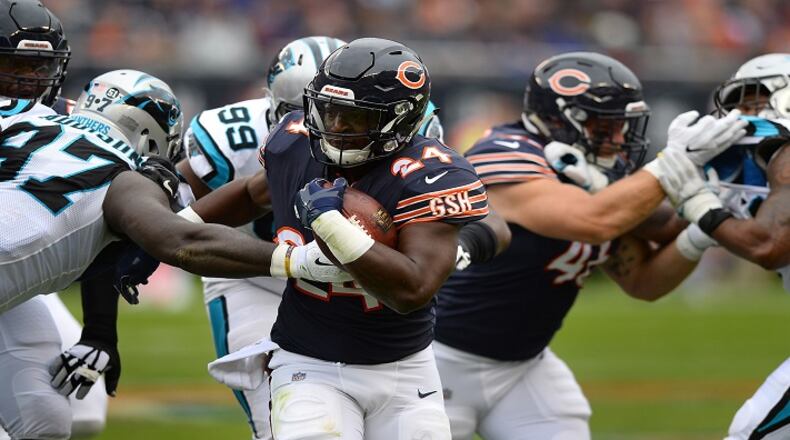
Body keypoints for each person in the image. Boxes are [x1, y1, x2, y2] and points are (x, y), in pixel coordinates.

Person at [0, 45, 346, 440]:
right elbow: (182, 240)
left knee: (43, 419)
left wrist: (99, 332)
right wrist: (296, 260)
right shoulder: (124, 179)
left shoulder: (28, 118)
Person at [430, 51, 747, 440]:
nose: (617, 139)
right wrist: (671, 166)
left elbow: (644, 281)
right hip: (437, 358)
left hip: (524, 368)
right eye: (604, 125)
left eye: (622, 125)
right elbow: (594, 220)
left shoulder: (597, 169)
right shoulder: (505, 151)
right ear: (560, 119)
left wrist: (705, 219)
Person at [187, 37, 490, 440]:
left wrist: (330, 224)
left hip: (404, 369)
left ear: (399, 119)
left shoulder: (430, 174)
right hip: (308, 362)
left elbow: (411, 289)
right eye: (328, 112)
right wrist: (182, 222)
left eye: (354, 119)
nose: (334, 129)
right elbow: (249, 194)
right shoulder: (295, 142)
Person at [175, 35, 345, 440]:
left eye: (337, 113)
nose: (318, 128)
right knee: (281, 421)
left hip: (343, 282)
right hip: (252, 275)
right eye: (300, 112)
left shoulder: (399, 134)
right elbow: (185, 197)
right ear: (271, 105)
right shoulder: (230, 137)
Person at [689, 53, 790, 440]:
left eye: (753, 101)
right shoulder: (759, 165)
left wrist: (698, 202)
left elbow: (768, 247)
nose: (740, 114)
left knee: (751, 432)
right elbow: (667, 223)